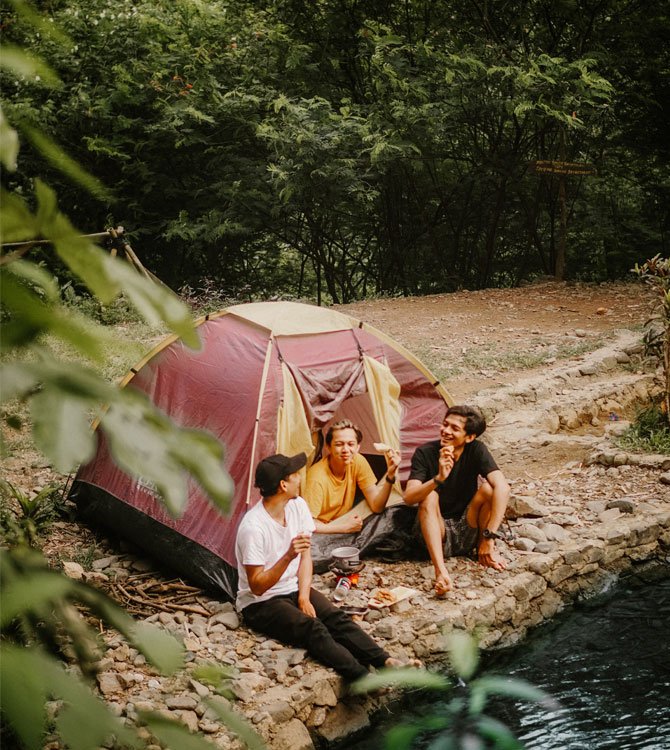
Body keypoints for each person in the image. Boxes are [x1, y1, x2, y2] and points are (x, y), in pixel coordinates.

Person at [235, 452, 416, 682]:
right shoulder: (253, 527)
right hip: (260, 603)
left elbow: (306, 558)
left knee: (334, 616)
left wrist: (303, 596)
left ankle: (385, 661)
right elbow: (257, 586)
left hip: (292, 587)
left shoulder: (297, 506)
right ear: (283, 485)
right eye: (295, 475)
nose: (300, 478)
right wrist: (288, 555)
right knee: (312, 628)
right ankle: (362, 678)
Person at [403, 405, 510, 596]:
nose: (446, 431)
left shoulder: (476, 449)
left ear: (469, 437)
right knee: (430, 495)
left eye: (454, 428)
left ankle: (483, 549)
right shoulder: (425, 453)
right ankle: (440, 570)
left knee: (489, 488)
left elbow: (503, 487)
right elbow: (409, 497)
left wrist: (489, 537)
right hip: (436, 531)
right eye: (445, 425)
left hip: (465, 525)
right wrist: (438, 479)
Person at [304, 419, 401, 534]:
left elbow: (377, 506)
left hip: (343, 520)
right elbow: (307, 525)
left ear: (358, 447)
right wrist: (344, 528)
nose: (345, 450)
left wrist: (390, 475)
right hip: (321, 532)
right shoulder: (317, 478)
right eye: (339, 444)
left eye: (350, 444)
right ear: (328, 447)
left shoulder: (358, 461)